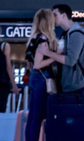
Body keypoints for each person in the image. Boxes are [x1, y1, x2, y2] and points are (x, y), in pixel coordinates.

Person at [38, 5, 84, 96]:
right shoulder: (66, 34)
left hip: (74, 86)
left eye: (55, 15)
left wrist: (47, 53)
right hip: (66, 85)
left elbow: (70, 60)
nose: (52, 18)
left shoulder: (76, 34)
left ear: (64, 15)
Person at [25, 10, 58, 141]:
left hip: (35, 77)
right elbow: (38, 64)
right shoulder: (43, 39)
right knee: (38, 117)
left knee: (32, 116)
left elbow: (30, 63)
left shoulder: (33, 37)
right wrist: (55, 57)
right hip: (42, 78)